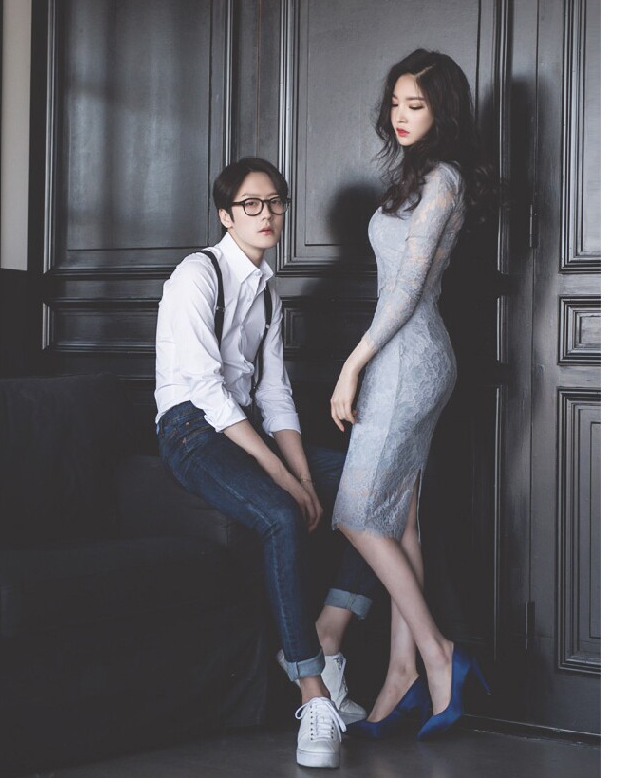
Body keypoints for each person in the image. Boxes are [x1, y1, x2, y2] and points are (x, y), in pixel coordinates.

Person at [155, 157, 381, 768]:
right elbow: (205, 391)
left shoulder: (268, 294)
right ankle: (313, 695)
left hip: (245, 429)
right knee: (282, 515)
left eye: (275, 202)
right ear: (226, 216)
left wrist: (305, 474)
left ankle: (327, 641)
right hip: (190, 432)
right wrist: (283, 478)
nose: (267, 214)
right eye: (251, 204)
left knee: (373, 481)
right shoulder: (196, 275)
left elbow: (275, 395)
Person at [329, 48, 494, 742]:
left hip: (407, 358)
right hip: (407, 356)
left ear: (441, 112)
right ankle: (401, 676)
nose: (400, 115)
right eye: (395, 103)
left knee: (357, 514)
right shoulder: (416, 176)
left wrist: (351, 366)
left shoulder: (444, 179)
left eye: (415, 105)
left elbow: (405, 289)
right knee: (399, 523)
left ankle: (437, 653)